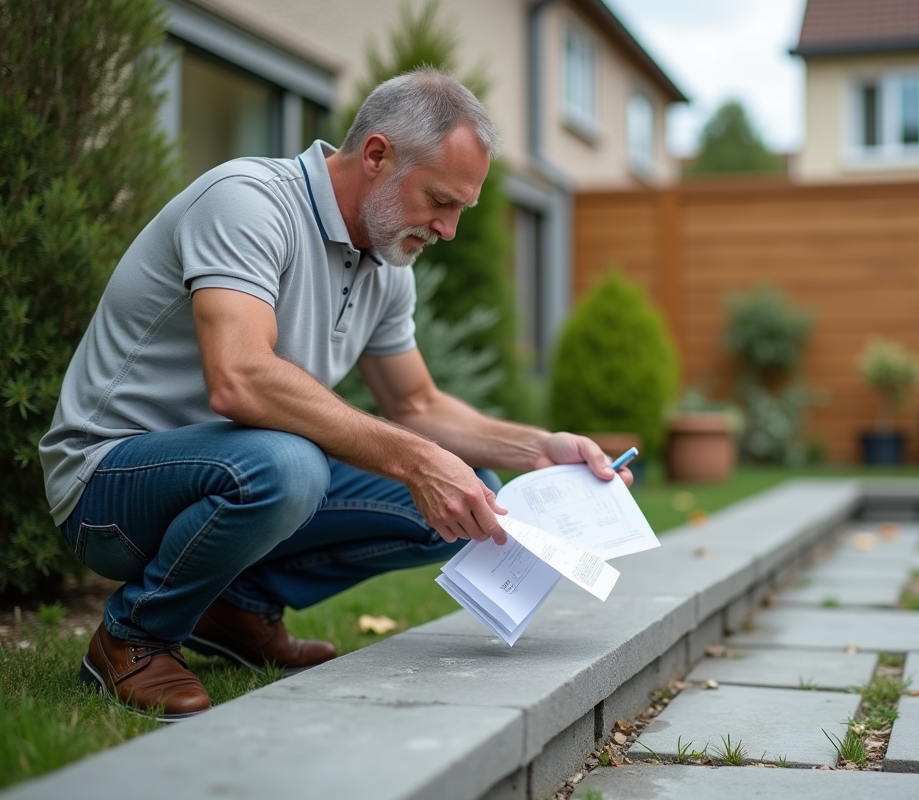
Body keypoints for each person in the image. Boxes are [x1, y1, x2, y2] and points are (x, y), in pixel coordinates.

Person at [39, 69, 630, 721]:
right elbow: (238, 377)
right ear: (377, 155)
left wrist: (540, 448)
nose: (449, 229)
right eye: (441, 200)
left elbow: (417, 407)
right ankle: (135, 636)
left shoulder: (386, 263)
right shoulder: (249, 202)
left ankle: (234, 609)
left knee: (468, 497)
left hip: (232, 476)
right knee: (290, 466)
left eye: (462, 208)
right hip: (108, 487)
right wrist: (414, 460)